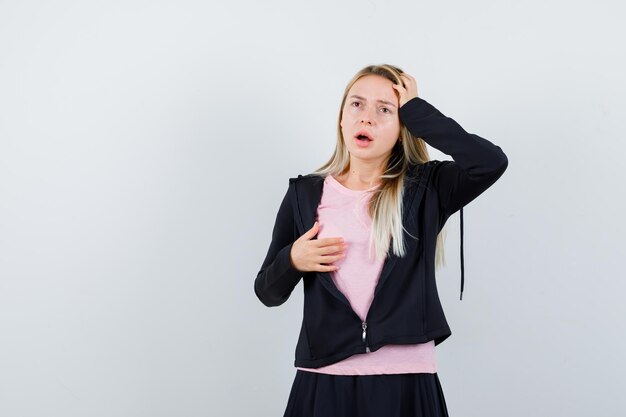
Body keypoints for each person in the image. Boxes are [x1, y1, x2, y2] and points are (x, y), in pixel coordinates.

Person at [254, 64, 508, 417]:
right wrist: (292, 260)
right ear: (341, 118)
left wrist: (418, 111)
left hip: (406, 380)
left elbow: (490, 162)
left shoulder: (427, 187)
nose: (367, 118)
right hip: (324, 379)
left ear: (404, 126)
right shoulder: (304, 194)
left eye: (385, 110)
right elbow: (267, 292)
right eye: (356, 105)